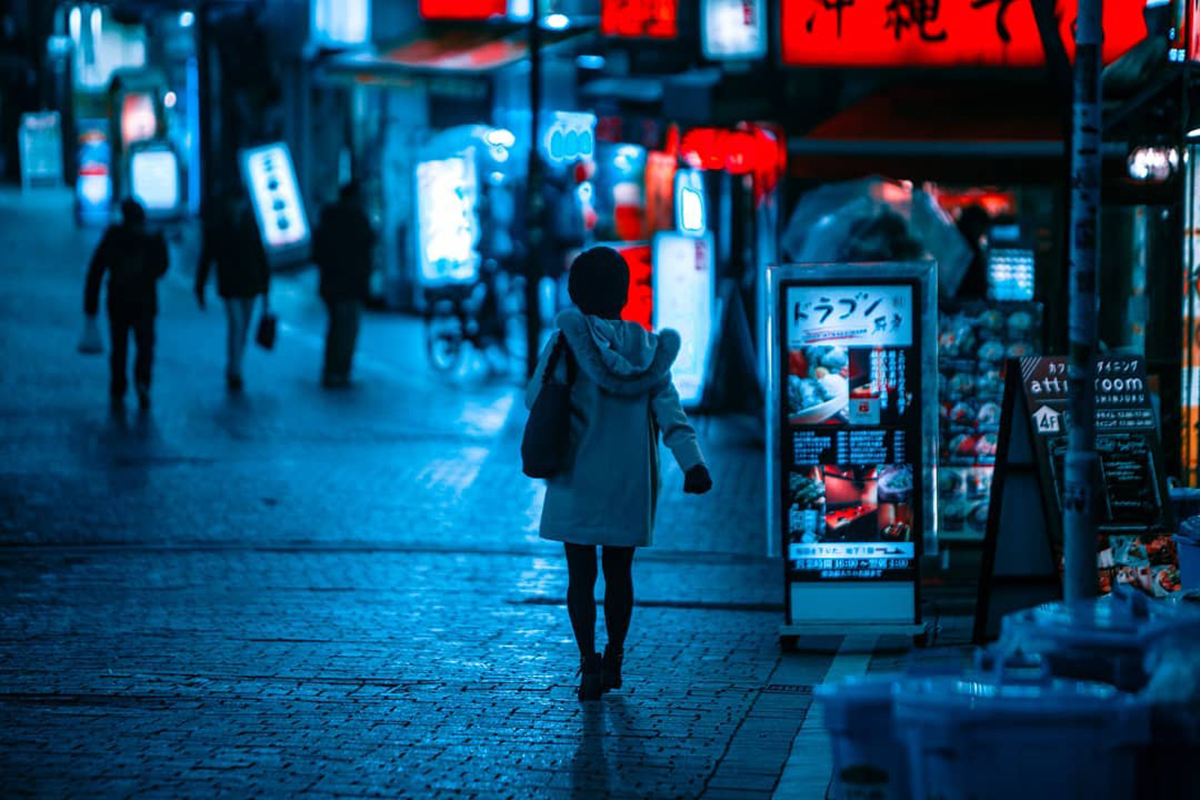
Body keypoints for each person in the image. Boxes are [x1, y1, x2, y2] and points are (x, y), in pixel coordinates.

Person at [525, 246, 713, 701]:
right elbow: (672, 416)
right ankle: (616, 655)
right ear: (625, 295)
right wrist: (694, 464)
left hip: (577, 476)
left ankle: (588, 662)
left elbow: (536, 398)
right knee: (620, 573)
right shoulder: (649, 350)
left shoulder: (566, 343)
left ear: (574, 292)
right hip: (631, 480)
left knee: (579, 576)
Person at [84, 198, 169, 410]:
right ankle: (142, 382)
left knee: (119, 346)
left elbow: (96, 270)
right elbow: (162, 267)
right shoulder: (151, 237)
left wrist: (90, 306)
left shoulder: (113, 236)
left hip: (118, 299)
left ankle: (118, 385)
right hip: (145, 301)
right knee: (145, 346)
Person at [194, 188, 270, 392]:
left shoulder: (250, 224)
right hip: (231, 283)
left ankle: (236, 364)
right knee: (237, 324)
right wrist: (199, 286)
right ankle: (234, 369)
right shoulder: (218, 226)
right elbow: (207, 257)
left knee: (242, 326)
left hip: (249, 282)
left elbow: (261, 256)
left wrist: (265, 288)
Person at [313, 181, 375, 388]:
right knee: (348, 329)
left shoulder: (328, 218)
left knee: (336, 328)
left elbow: (318, 252)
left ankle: (332, 370)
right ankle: (342, 370)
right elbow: (367, 249)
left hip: (333, 284)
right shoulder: (358, 219)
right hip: (352, 284)